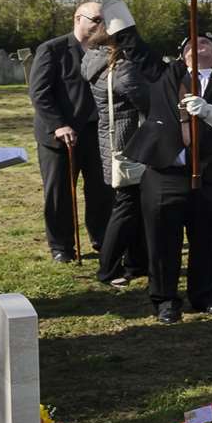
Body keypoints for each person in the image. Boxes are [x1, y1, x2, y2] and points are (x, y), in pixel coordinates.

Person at [95, 0, 212, 324]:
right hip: (165, 175)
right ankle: (165, 301)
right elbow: (132, 44)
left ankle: (205, 296)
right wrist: (113, 1)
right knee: (163, 243)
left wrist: (209, 111)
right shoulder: (166, 76)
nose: (199, 47)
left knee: (207, 241)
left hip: (208, 174)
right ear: (182, 55)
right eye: (191, 44)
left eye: (206, 44)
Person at [29, 1, 112, 263]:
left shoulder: (105, 49)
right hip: (59, 134)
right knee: (60, 192)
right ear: (78, 19)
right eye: (96, 19)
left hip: (95, 131)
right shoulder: (52, 50)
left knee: (101, 189)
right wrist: (58, 124)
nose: (101, 25)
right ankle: (61, 246)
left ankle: (101, 237)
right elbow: (39, 93)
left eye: (104, 20)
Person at [80, 38, 149, 289]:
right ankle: (108, 267)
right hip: (128, 142)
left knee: (134, 204)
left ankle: (138, 262)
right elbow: (147, 100)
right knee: (127, 205)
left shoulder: (92, 59)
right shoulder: (122, 68)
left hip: (110, 139)